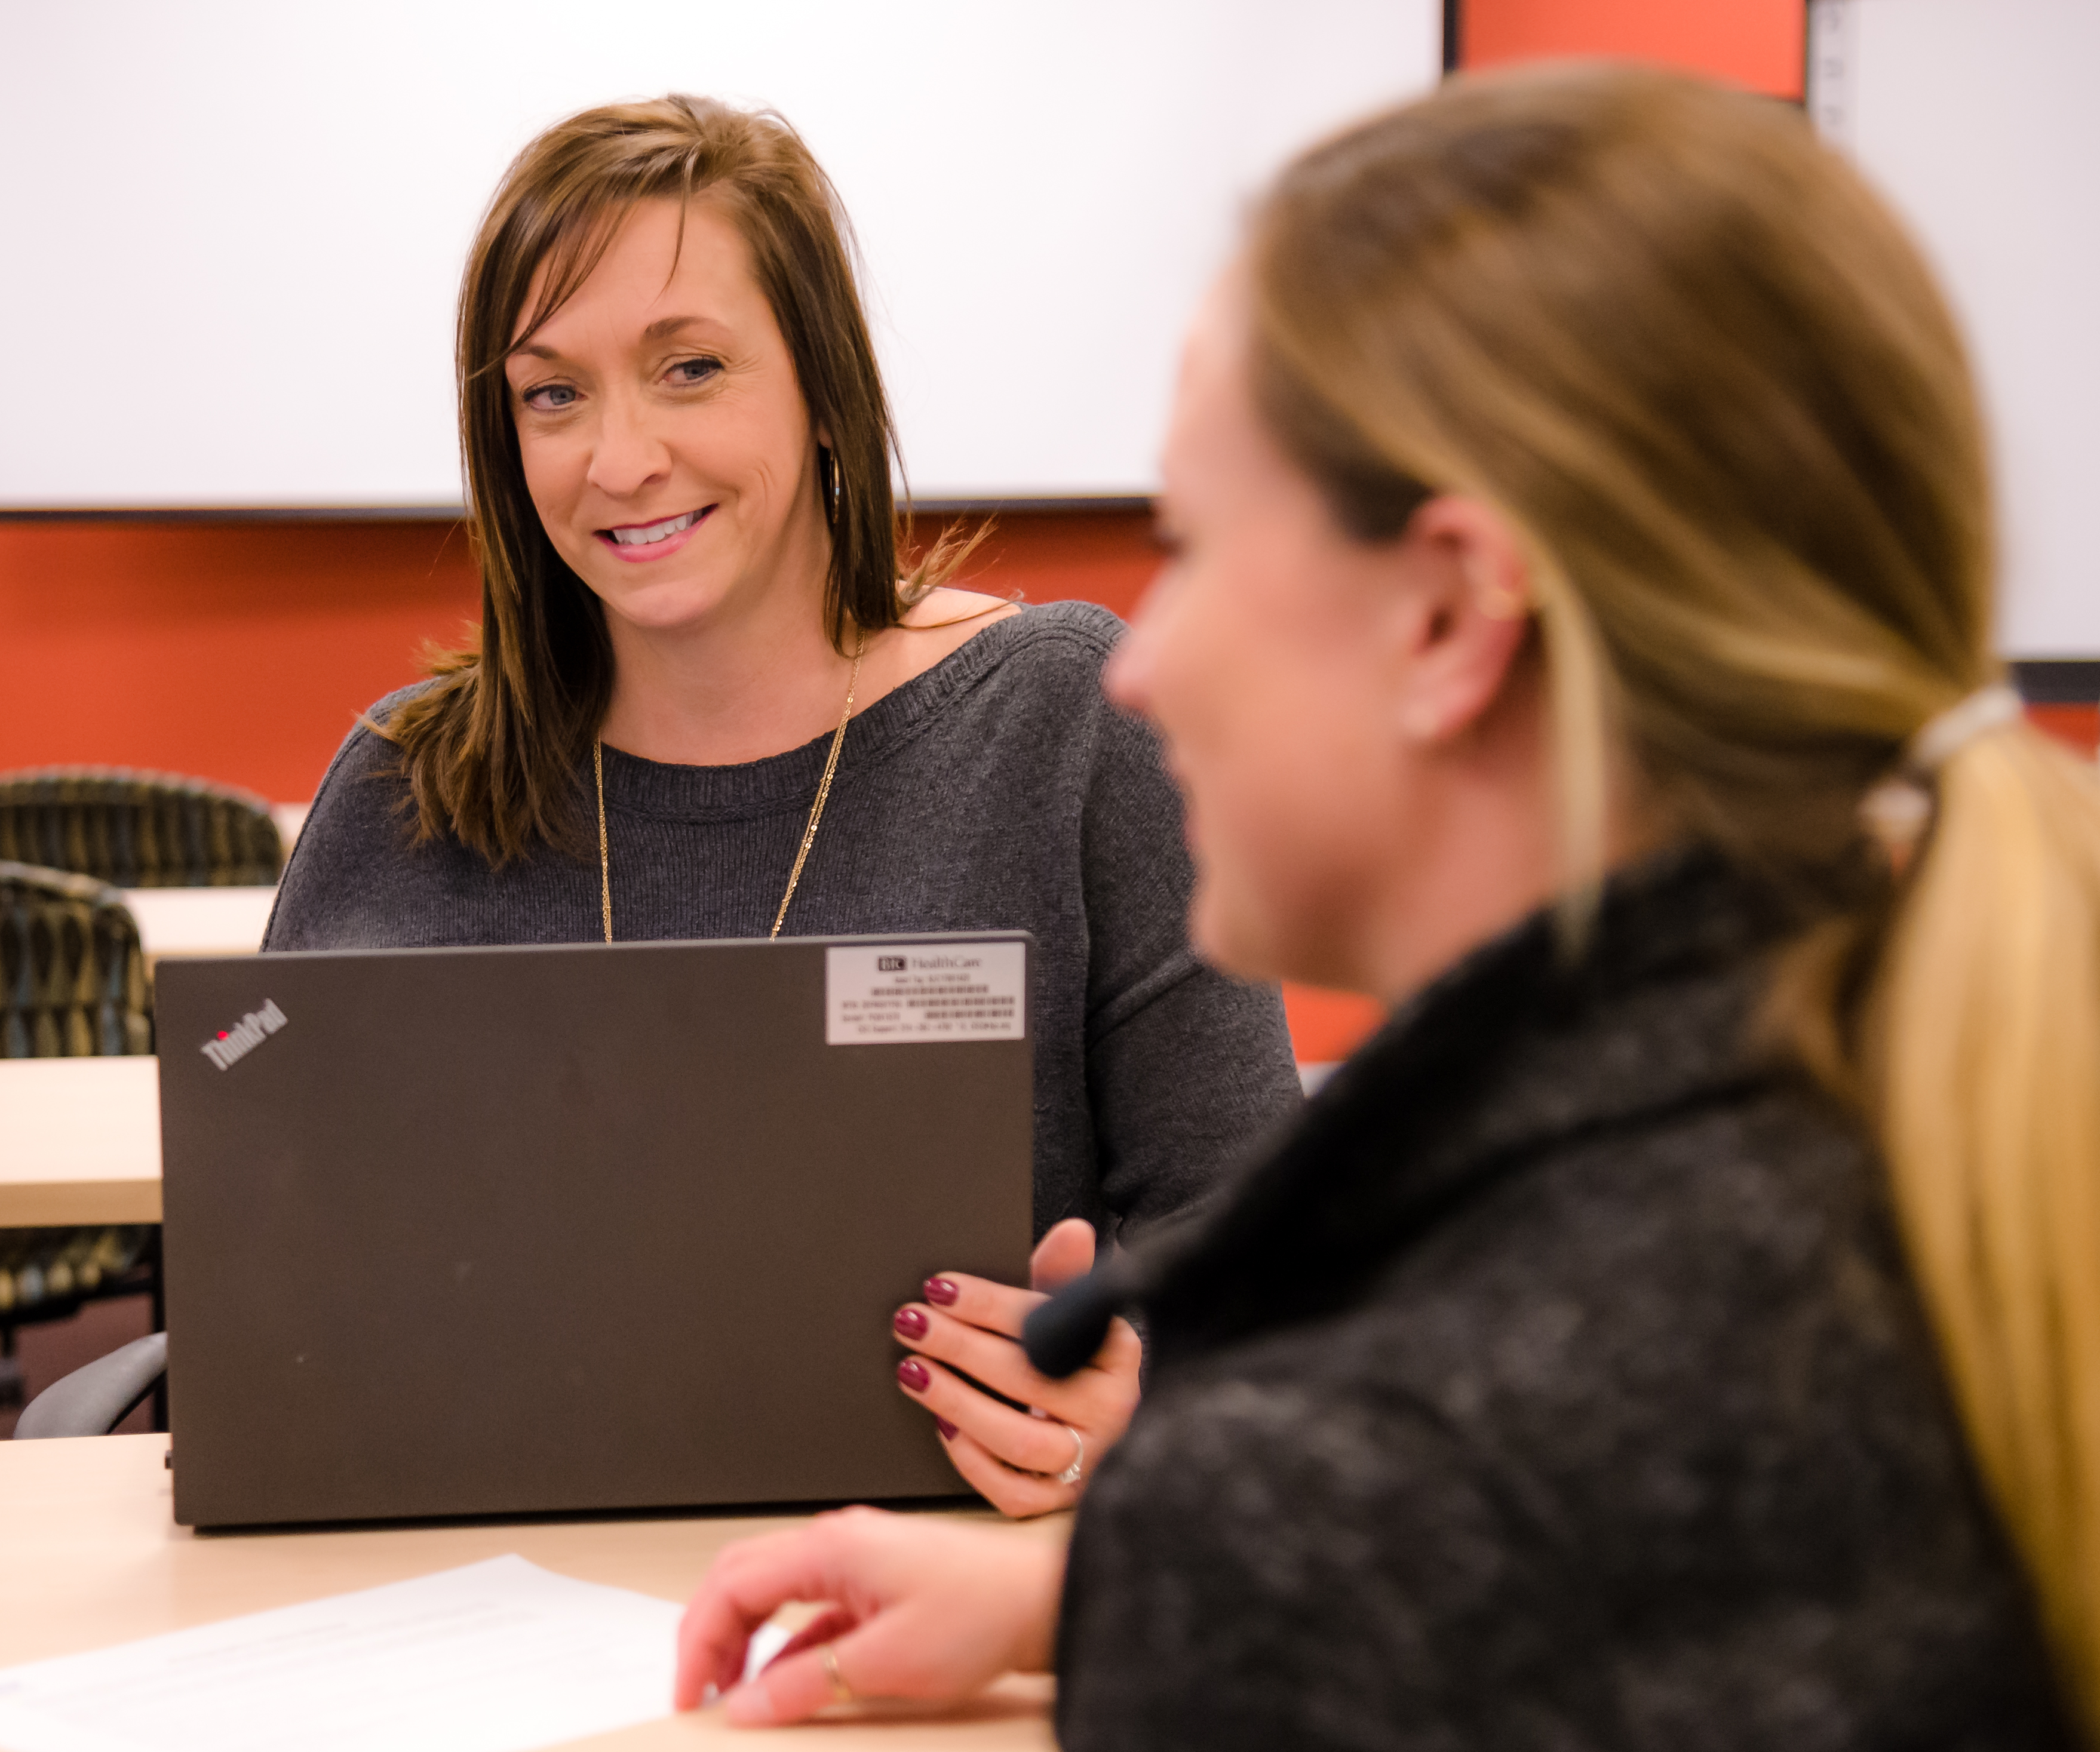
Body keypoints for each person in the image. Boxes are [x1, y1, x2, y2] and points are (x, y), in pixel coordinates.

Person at [674, 63, 2095, 1744]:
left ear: (1447, 619)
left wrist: (1217, 1576)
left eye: (1195, 545)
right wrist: (1098, 1590)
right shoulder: (1953, 1159)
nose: (1146, 668)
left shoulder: (1345, 1503)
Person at [263, 95, 1300, 1516]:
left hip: (950, 1590)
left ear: (821, 387)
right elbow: (277, 1281)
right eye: (550, 393)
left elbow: (1256, 1255)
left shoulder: (1065, 726)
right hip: (475, 1598)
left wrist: (1141, 1394)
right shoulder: (407, 786)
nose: (617, 458)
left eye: (688, 369)